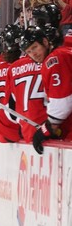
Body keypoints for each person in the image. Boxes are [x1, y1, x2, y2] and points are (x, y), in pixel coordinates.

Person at [20, 25, 72, 154]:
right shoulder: (61, 53)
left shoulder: (54, 59)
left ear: (45, 42)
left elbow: (62, 103)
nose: (34, 54)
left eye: (35, 47)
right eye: (29, 52)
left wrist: (47, 128)